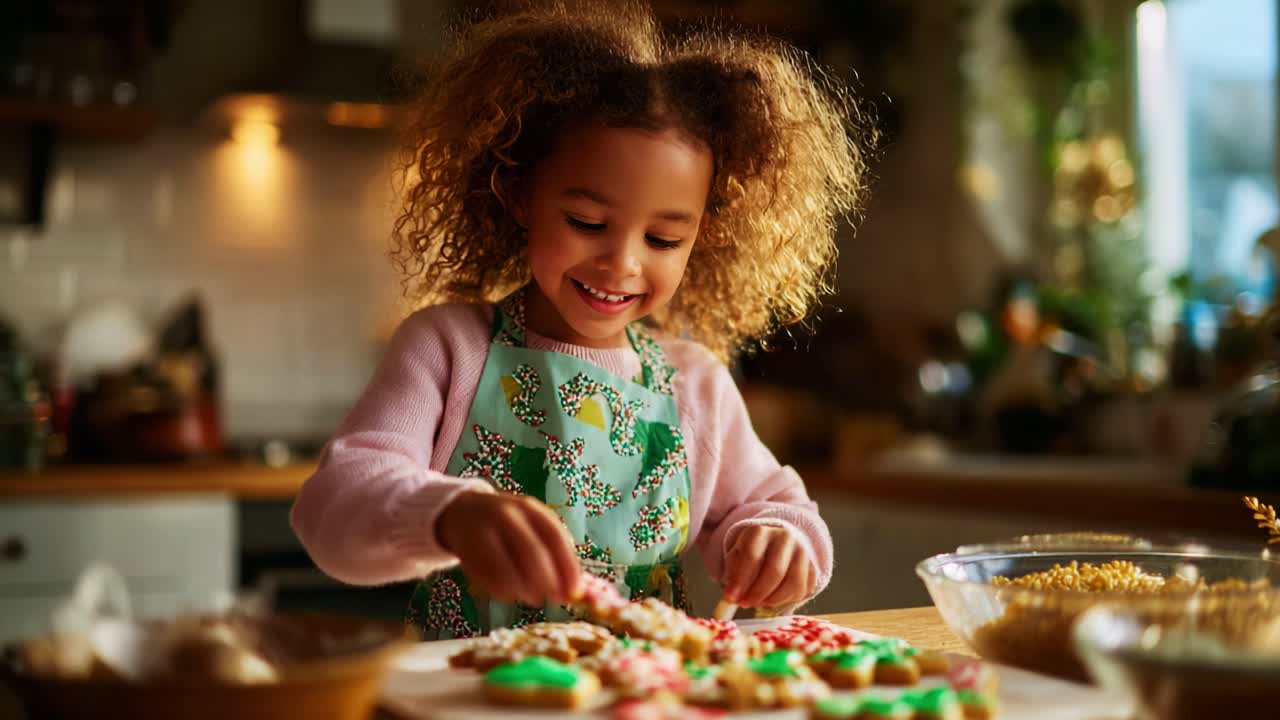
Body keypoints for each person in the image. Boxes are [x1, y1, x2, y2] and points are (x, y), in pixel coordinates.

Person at [290, 0, 870, 639]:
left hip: (645, 696)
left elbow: (777, 506)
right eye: (587, 223)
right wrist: (448, 514)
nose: (622, 264)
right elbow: (332, 509)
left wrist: (779, 541)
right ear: (518, 195)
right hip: (474, 696)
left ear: (704, 234)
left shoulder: (695, 385)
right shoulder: (449, 348)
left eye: (664, 239)